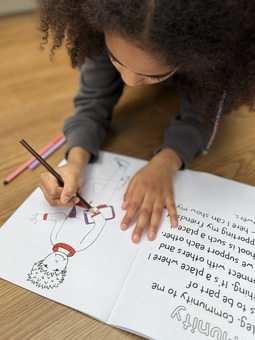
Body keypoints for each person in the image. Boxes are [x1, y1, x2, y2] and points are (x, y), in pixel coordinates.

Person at [37, 0, 255, 244]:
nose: (128, 81)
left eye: (152, 75)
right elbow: (92, 103)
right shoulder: (106, 27)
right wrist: (75, 160)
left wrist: (165, 163)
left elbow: (200, 118)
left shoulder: (215, 65)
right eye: (115, 59)